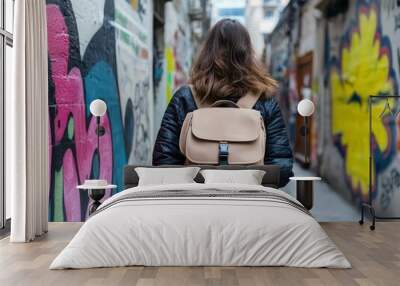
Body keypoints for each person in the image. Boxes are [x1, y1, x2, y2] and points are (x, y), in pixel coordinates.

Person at [152, 19, 293, 187]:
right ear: (248, 53)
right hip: (250, 205)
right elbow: (282, 169)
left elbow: (163, 163)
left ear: (207, 52)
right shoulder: (264, 100)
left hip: (194, 204)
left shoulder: (185, 98)